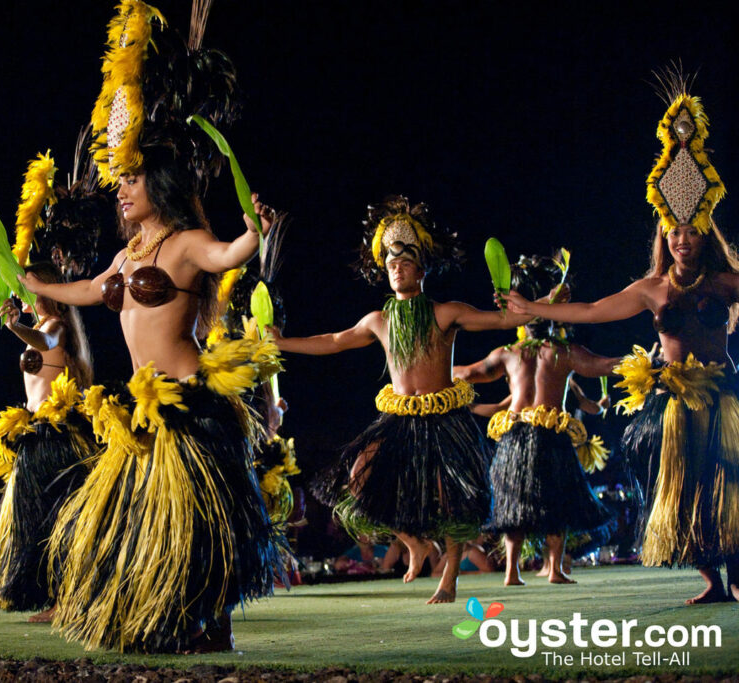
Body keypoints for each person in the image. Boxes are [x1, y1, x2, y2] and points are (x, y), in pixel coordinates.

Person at [19, 143, 282, 653]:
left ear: (159, 186)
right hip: (141, 410)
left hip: (187, 405)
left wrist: (254, 232)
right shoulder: (125, 256)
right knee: (144, 521)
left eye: (132, 181)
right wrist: (34, 283)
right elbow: (88, 292)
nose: (120, 191)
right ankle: (169, 616)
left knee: (197, 521)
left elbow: (226, 255)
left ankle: (216, 621)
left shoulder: (186, 243)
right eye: (121, 182)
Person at [504, 75, 738, 604]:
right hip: (673, 402)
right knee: (680, 490)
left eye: (691, 230)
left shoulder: (726, 283)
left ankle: (737, 576)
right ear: (664, 235)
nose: (682, 240)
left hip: (723, 396)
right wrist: (532, 308)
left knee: (728, 482)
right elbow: (589, 310)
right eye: (673, 231)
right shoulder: (652, 289)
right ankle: (711, 581)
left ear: (705, 231)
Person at [271, 196, 535, 603]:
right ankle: (412, 543)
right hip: (399, 417)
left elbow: (503, 320)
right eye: (390, 264)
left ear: (422, 268)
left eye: (404, 263)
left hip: (443, 417)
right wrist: (283, 342)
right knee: (360, 477)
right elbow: (335, 341)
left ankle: (449, 579)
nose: (396, 269)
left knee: (451, 500)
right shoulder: (378, 320)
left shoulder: (446, 312)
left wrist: (525, 307)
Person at [455, 255, 617, 586]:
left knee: (523, 505)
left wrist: (433, 374)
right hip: (542, 436)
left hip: (521, 437)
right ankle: (549, 570)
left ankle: (516, 572)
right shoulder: (557, 351)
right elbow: (602, 364)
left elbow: (467, 373)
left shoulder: (512, 353)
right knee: (547, 504)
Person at [0, 260, 96, 620]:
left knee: (56, 516)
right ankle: (57, 597)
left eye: (26, 283)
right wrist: (18, 326)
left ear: (43, 287)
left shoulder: (57, 326)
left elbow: (45, 341)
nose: (20, 290)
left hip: (55, 434)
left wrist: (16, 327)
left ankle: (67, 600)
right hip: (37, 433)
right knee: (39, 517)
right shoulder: (43, 325)